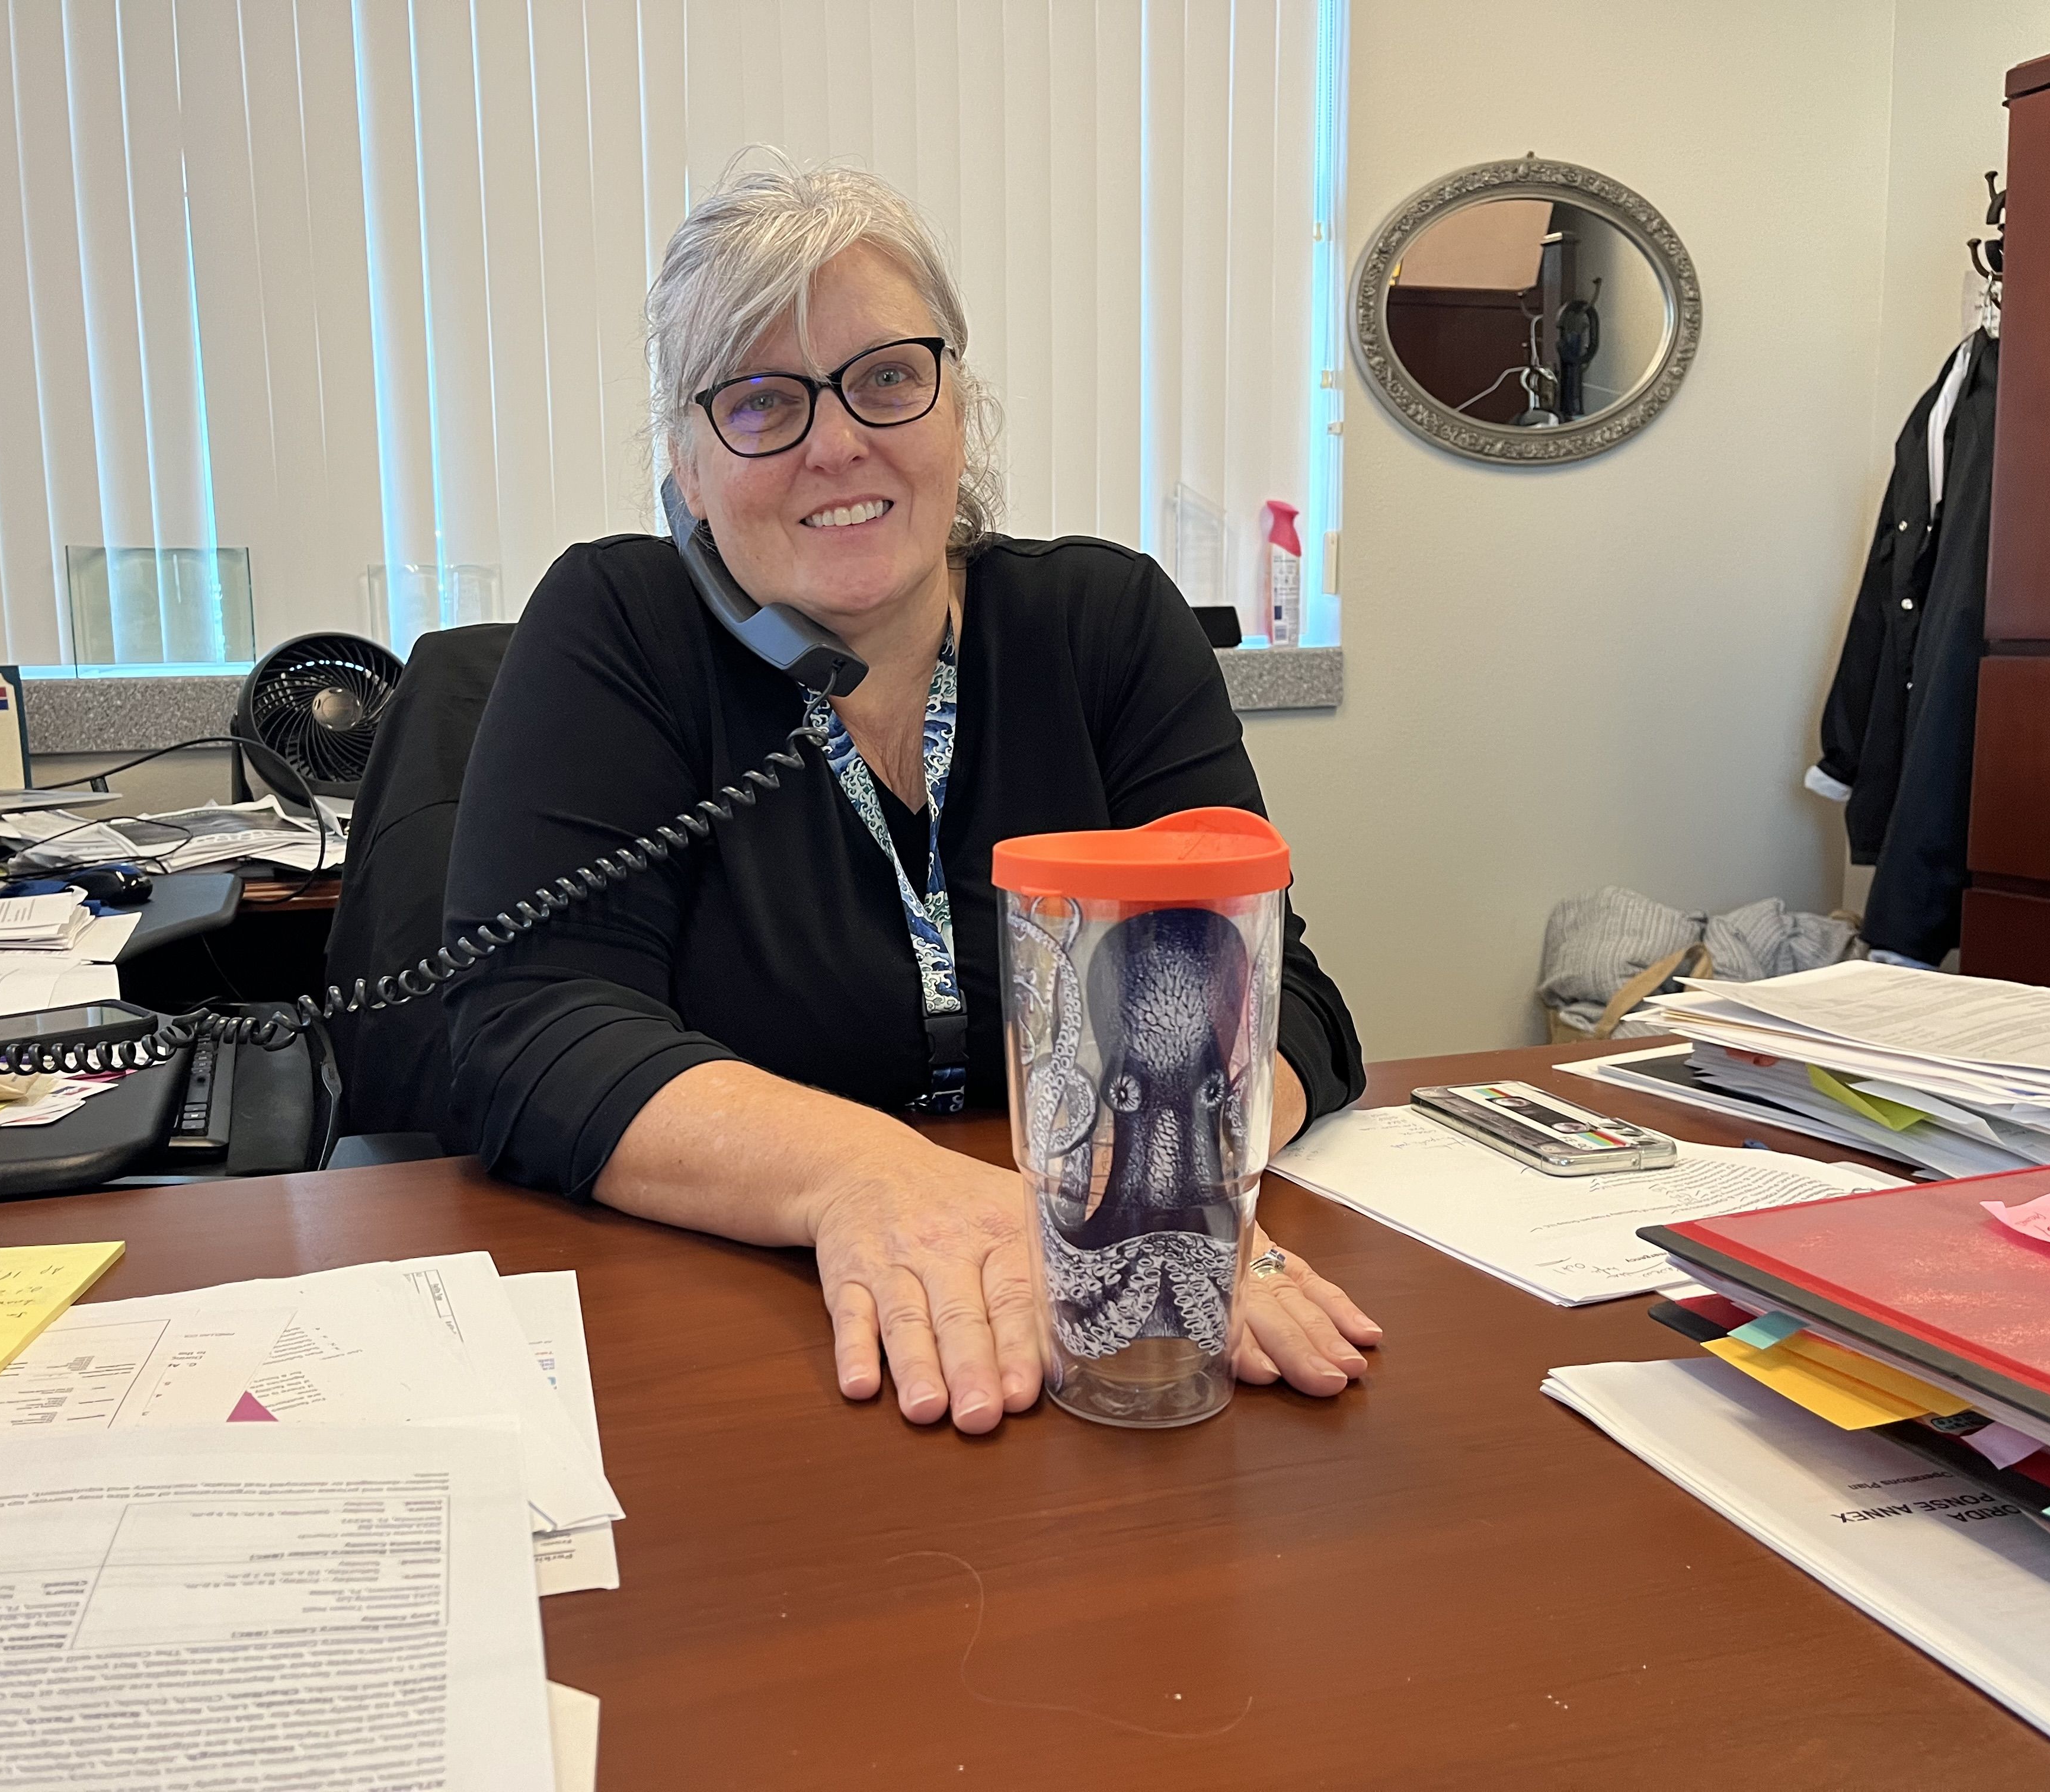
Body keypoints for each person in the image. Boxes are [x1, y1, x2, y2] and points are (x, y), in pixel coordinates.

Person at [444, 161, 1377, 1433]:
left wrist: (1167, 1174)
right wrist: (870, 1177)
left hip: (1111, 1334)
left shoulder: (1103, 626)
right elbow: (529, 1030)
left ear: (957, 409)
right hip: (760, 1352)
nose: (840, 442)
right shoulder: (620, 629)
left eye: (886, 377)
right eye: (763, 402)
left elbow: (1286, 999)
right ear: (687, 473)